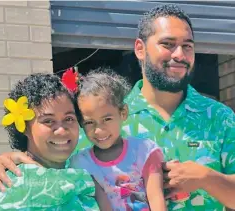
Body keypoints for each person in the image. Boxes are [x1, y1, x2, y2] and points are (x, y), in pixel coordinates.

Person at [0, 4, 235, 211]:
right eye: (168, 44)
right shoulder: (101, 116)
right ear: (140, 49)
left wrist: (206, 177)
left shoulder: (218, 117)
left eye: (187, 46)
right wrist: (14, 159)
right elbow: (57, 153)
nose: (179, 55)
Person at [0, 73, 102, 210]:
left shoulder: (81, 163)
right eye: (48, 121)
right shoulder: (18, 187)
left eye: (69, 119)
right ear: (24, 127)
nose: (61, 130)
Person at [69, 69, 166, 210]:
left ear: (123, 113)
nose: (99, 130)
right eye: (89, 122)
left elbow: (157, 198)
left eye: (107, 119)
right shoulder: (81, 163)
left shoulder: (144, 151)